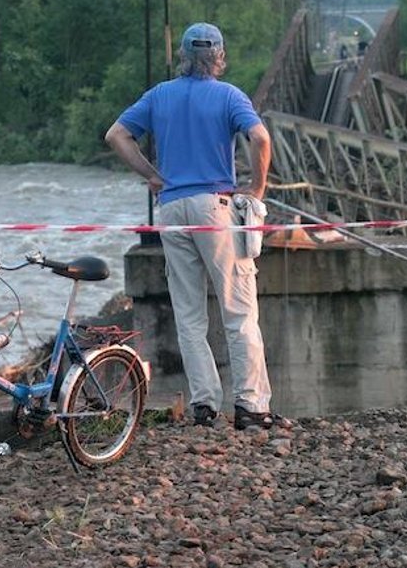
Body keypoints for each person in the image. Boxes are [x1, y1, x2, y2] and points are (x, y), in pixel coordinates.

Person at [105, 22, 285, 430]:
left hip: (172, 208)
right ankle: (251, 406)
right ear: (219, 57)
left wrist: (152, 175)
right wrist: (256, 189)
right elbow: (260, 138)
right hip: (216, 210)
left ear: (183, 56)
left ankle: (205, 404)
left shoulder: (159, 95)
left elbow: (117, 135)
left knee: (189, 315)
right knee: (238, 311)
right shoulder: (228, 96)